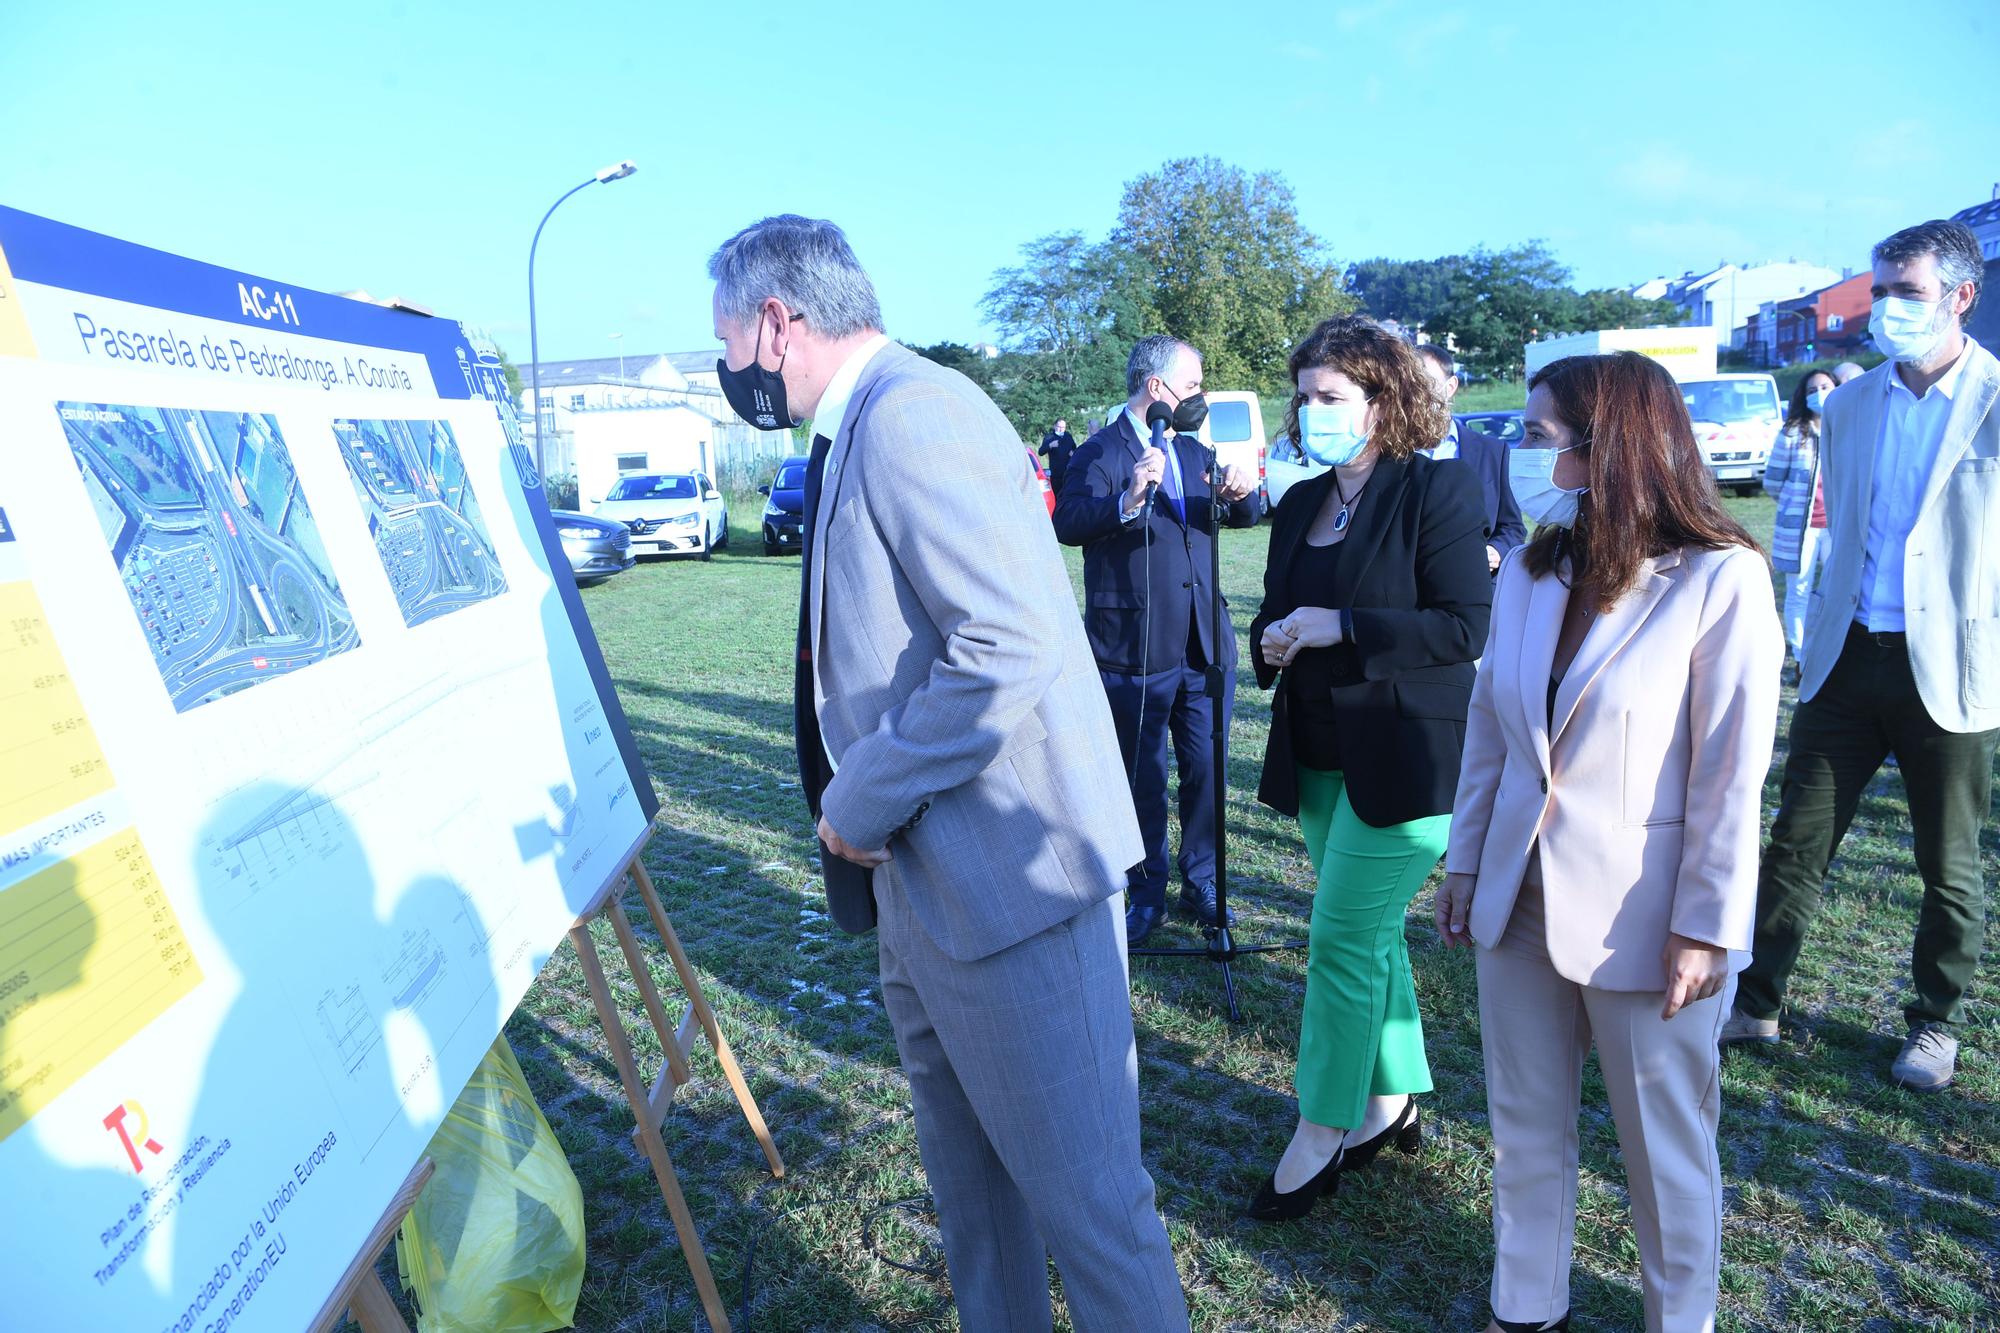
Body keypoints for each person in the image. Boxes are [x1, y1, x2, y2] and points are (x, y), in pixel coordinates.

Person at [707, 215, 1190, 1330]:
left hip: (1012, 894)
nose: (726, 366)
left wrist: (858, 798)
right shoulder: (862, 424)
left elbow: (1007, 642)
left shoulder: (912, 413)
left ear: (776, 324)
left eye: (726, 338)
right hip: (926, 894)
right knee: (978, 1216)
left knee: (1093, 1216)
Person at [1438, 351, 1782, 1333]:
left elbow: (1728, 774)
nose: (1517, 450)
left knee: (1663, 1149)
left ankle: (1679, 1320)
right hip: (1517, 897)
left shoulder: (1719, 580)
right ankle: (1524, 1305)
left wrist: (1705, 925)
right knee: (1522, 1125)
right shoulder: (1534, 568)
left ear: (1609, 445)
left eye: (1538, 435)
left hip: (1648, 917)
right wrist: (1464, 860)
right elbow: (1489, 729)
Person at [1723, 220, 2000, 1093]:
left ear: (1961, 296)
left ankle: (1934, 1023)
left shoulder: (1995, 400)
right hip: (1846, 658)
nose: (1886, 308)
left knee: (1946, 861)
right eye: (1879, 290)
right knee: (1795, 840)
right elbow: (1833, 532)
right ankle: (1756, 998)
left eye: (1906, 291)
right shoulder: (1846, 405)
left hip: (1950, 669)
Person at [1241, 316, 1492, 1220]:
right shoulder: (1300, 503)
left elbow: (1468, 627)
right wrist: (1269, 641)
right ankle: (1393, 1099)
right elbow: (1275, 617)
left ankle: (1324, 1127)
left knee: (1342, 940)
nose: (1312, 413)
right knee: (1371, 937)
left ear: (1385, 401)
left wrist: (1343, 626)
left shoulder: (1439, 492)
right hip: (1316, 753)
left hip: (1409, 758)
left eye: (1331, 398)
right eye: (1304, 397)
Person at [1054, 335, 1260, 944]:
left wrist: (1242, 493)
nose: (1200, 397)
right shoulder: (1098, 451)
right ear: (1157, 388)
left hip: (1204, 647)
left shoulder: (1198, 450)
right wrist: (1128, 498)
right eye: (1193, 386)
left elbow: (1240, 518)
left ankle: (1204, 880)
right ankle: (1145, 890)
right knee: (1142, 774)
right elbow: (1068, 523)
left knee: (1206, 768)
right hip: (1134, 647)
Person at [1412, 343, 1527, 573]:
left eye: (1425, 383)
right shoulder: (1388, 452)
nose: (1418, 393)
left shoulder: (1493, 452)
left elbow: (1513, 527)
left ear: (1451, 386)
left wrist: (1496, 551)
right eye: (1410, 384)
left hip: (1478, 587)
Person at [1764, 369, 1836, 674]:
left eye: (1825, 386)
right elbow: (1772, 481)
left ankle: (1833, 651)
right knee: (1800, 589)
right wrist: (1795, 504)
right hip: (1802, 530)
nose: (1819, 393)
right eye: (1812, 389)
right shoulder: (1793, 433)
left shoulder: (1846, 427)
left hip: (1837, 528)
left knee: (1836, 589)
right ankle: (1801, 655)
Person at [1039, 416, 1077, 495]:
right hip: (1056, 473)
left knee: (1068, 494)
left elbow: (1075, 449)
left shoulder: (1068, 436)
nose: (1061, 429)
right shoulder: (1049, 437)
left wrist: (1073, 453)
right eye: (1059, 427)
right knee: (1057, 495)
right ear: (1054, 426)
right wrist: (1050, 445)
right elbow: (1041, 452)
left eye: (1063, 427)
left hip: (1068, 472)